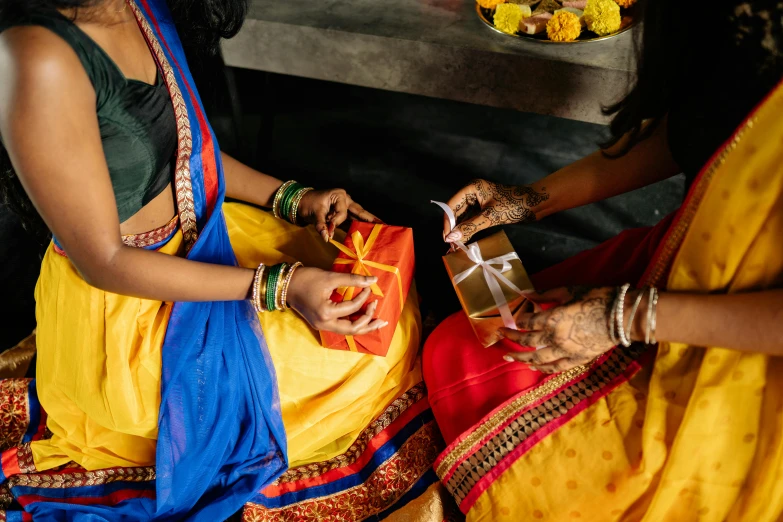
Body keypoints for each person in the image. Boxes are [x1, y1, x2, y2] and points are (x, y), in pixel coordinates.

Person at [0, 0, 427, 519]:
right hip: (132, 306)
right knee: (356, 357)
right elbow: (104, 262)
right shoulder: (38, 56)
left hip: (207, 235)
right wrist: (280, 288)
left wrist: (292, 198)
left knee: (379, 309)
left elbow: (185, 148)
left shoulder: (131, 4)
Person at [425, 1, 783, 520]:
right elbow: (700, 130)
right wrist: (527, 199)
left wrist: (623, 318)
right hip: (685, 256)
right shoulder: (734, 19)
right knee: (462, 351)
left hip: (744, 352)